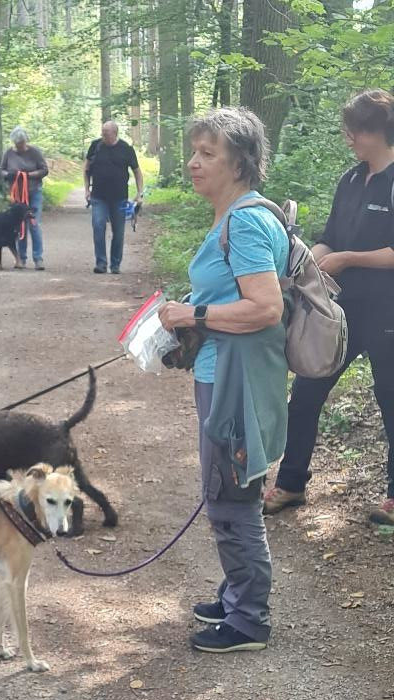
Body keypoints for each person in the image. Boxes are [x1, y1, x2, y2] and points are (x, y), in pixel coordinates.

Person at [159, 107, 289, 653]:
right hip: (226, 373)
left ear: (240, 163)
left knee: (231, 496)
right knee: (228, 488)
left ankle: (250, 620)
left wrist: (194, 317)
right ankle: (238, 593)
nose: (193, 163)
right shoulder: (232, 217)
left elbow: (266, 308)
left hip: (236, 380)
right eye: (194, 151)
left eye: (207, 154)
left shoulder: (245, 220)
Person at [264, 90, 394, 525]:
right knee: (305, 391)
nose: (348, 138)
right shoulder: (351, 179)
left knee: (391, 399)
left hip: (388, 311)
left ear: (376, 130)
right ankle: (292, 483)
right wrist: (307, 259)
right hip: (341, 311)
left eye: (353, 131)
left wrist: (349, 259)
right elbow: (330, 236)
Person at [83, 121, 143, 274]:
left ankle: (115, 264)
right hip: (98, 196)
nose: (103, 136)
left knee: (118, 232)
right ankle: (101, 263)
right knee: (98, 226)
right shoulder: (96, 146)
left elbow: (137, 171)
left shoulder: (126, 149)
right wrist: (86, 189)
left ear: (115, 133)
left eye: (106, 133)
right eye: (102, 132)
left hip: (119, 198)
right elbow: (86, 169)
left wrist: (139, 193)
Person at [0, 126, 48, 270]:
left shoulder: (34, 152)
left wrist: (28, 175)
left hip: (34, 192)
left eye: (22, 144)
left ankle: (38, 258)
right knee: (20, 226)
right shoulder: (9, 153)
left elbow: (44, 169)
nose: (20, 147)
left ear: (26, 141)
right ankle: (21, 258)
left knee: (34, 224)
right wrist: (8, 175)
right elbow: (1, 169)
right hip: (17, 195)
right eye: (17, 144)